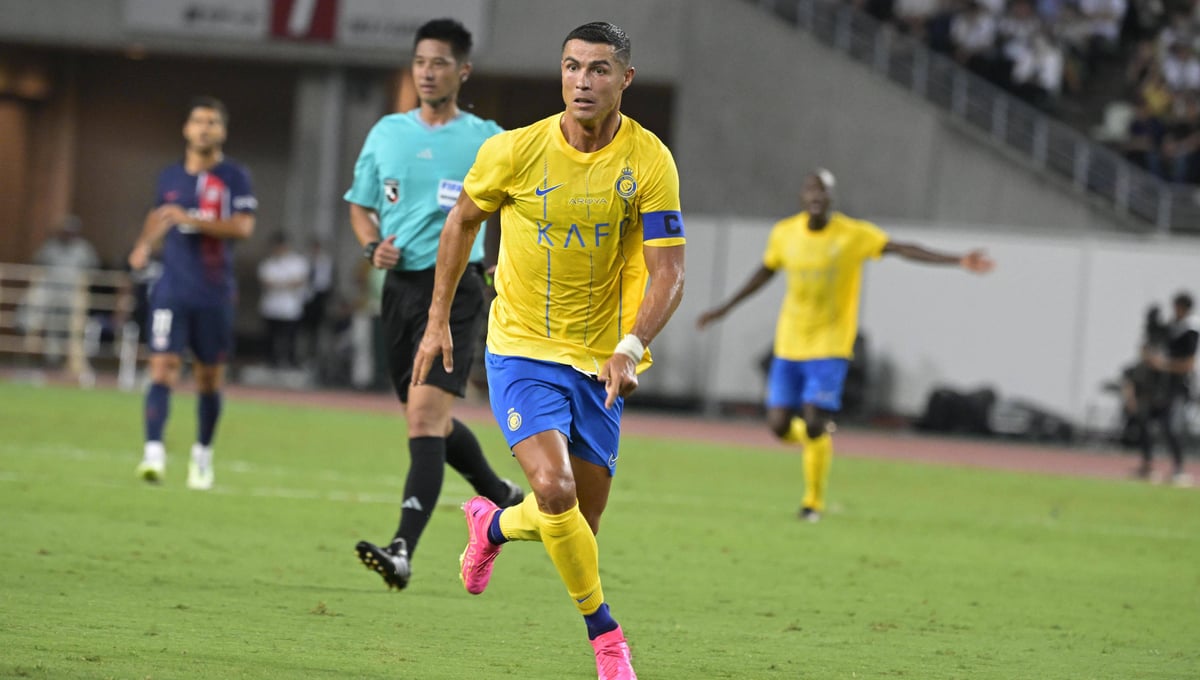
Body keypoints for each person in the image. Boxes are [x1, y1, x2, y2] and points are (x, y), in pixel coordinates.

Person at [412, 21, 686, 680]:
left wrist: (630, 346)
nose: (581, 81)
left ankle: (493, 527)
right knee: (555, 489)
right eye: (571, 67)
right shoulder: (515, 150)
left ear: (625, 78)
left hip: (600, 360)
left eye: (597, 69)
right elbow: (461, 222)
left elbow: (670, 271)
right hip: (521, 349)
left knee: (577, 522)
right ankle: (607, 638)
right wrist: (438, 318)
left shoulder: (649, 160)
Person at [696, 169, 993, 522]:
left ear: (832, 198)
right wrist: (725, 308)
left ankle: (812, 502)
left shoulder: (853, 235)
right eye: (811, 190)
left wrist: (957, 260)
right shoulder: (784, 234)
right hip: (790, 342)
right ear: (802, 196)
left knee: (813, 419)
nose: (816, 196)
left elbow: (902, 248)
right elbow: (765, 272)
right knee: (778, 425)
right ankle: (817, 441)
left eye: (823, 191)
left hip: (831, 344)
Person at [344, 18, 525, 593]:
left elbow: (517, 206)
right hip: (398, 292)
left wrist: (497, 258)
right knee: (430, 423)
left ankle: (402, 550)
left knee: (424, 420)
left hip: (457, 290)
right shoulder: (387, 133)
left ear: (462, 71)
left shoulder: (489, 139)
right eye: (420, 61)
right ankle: (499, 493)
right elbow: (360, 205)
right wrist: (372, 246)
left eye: (439, 62)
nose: (427, 72)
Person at [128, 96, 257, 491]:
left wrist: (193, 220)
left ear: (223, 131)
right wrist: (143, 245)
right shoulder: (169, 177)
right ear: (186, 128)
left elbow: (243, 227)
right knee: (162, 366)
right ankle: (153, 453)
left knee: (208, 378)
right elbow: (159, 215)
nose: (204, 128)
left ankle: (202, 455)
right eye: (198, 121)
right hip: (172, 289)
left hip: (214, 292)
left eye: (212, 122)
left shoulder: (234, 176)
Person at [1129, 293, 1197, 485]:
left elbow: (1188, 364)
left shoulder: (1190, 331)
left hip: (1177, 388)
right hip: (1158, 387)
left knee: (1171, 427)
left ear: (1184, 308)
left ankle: (1178, 469)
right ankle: (1147, 465)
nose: (1174, 311)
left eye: (1177, 307)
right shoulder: (1171, 328)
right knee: (1144, 421)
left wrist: (1163, 364)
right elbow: (1150, 347)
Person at [19, 215, 101, 365]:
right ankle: (51, 359)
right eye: (66, 231)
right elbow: (38, 265)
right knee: (52, 324)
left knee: (74, 328)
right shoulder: (51, 246)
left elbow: (93, 272)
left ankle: (74, 362)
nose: (68, 234)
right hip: (52, 292)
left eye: (71, 232)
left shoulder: (83, 249)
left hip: (73, 294)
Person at [256, 231, 309, 369]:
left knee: (290, 338)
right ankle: (271, 362)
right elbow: (265, 282)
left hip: (290, 308)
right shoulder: (268, 263)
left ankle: (290, 361)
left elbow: (299, 282)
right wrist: (286, 284)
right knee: (270, 337)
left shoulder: (298, 262)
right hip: (271, 307)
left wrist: (278, 284)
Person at [300, 237, 335, 363]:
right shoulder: (304, 260)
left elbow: (329, 281)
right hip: (305, 297)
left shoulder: (326, 261)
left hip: (320, 297)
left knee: (316, 329)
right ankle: (303, 355)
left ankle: (315, 356)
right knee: (304, 329)